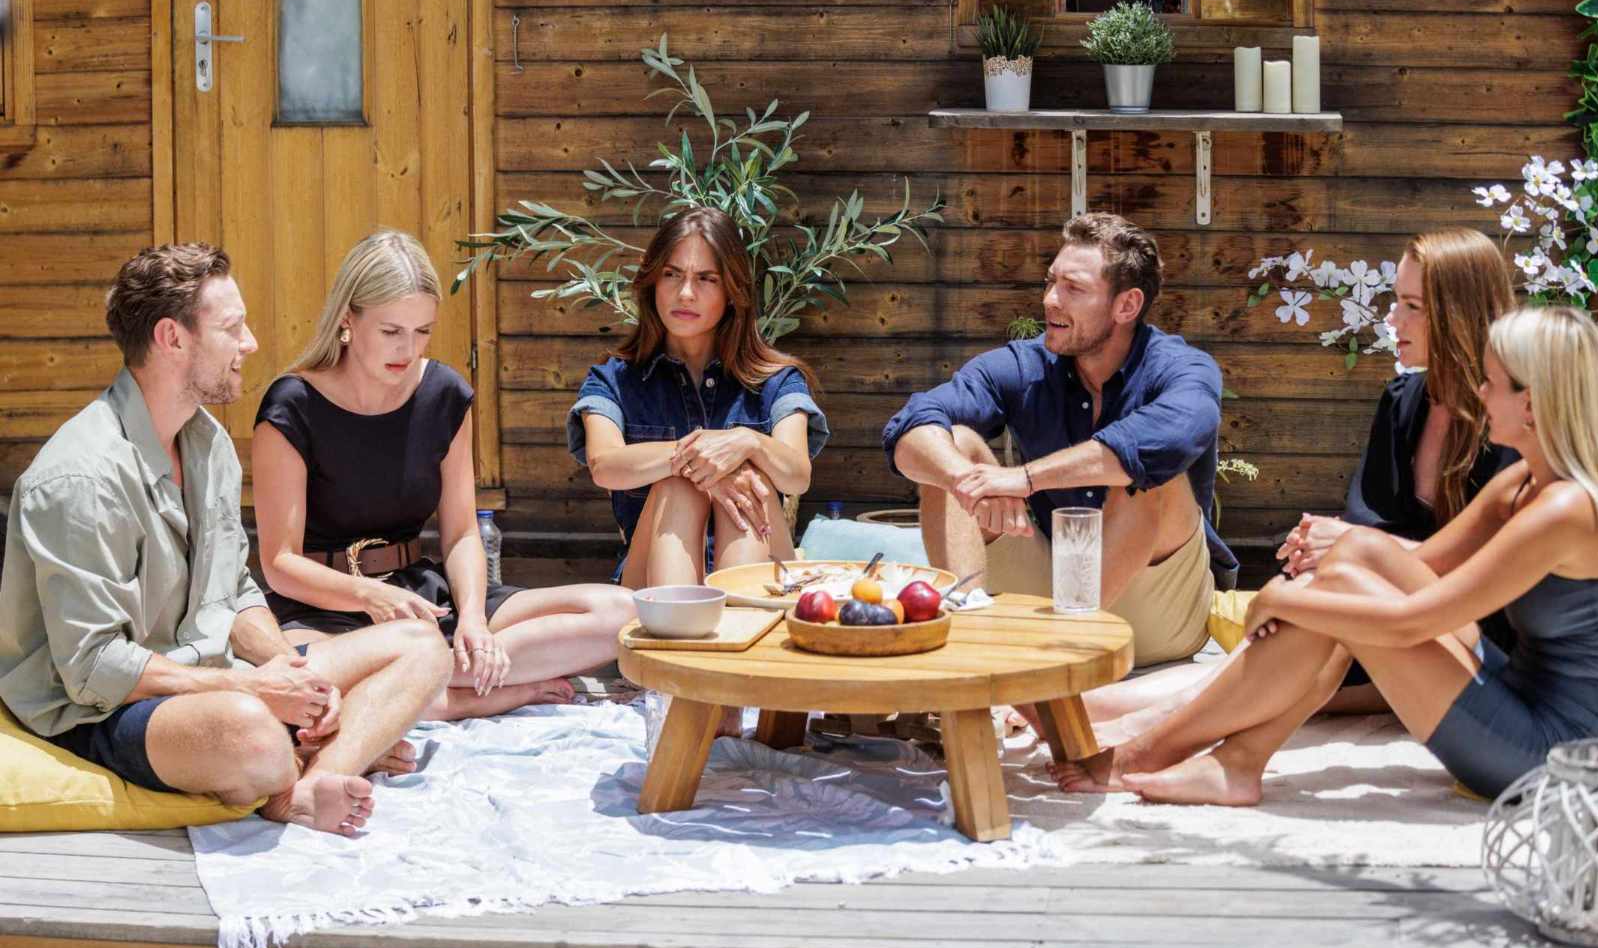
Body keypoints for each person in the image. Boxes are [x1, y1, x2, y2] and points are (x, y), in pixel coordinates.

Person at [1052, 306, 1598, 804]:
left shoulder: (1565, 510)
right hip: (1514, 692)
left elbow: (1416, 620)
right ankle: (1238, 762)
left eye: (1492, 382)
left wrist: (1285, 599)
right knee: (1356, 555)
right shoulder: (1525, 482)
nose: (1479, 392)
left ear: (1532, 404)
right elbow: (1421, 566)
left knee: (1342, 596)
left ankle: (1153, 753)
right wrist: (1331, 567)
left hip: (1552, 756)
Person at [0, 244, 452, 835]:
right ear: (172, 338)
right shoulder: (79, 480)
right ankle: (313, 756)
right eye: (233, 328)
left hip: (210, 674)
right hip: (101, 708)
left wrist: (295, 677)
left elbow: (234, 590)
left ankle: (302, 787)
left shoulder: (207, 442)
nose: (251, 343)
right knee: (251, 732)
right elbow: (94, 667)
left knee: (422, 646)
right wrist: (253, 689)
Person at [1082, 227, 1520, 729]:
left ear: (1459, 313)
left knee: (1263, 669)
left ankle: (1138, 716)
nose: (1392, 318)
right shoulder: (1403, 402)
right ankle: (1104, 708)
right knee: (1256, 663)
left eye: (1412, 306)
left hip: (1470, 638)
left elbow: (1496, 568)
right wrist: (1320, 543)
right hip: (1385, 620)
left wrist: (1350, 545)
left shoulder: (1510, 423)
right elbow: (1371, 526)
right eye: (1395, 299)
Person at [253, 229, 632, 722]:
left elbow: (461, 534)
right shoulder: (292, 404)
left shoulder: (445, 393)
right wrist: (370, 595)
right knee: (312, 686)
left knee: (622, 612)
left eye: (422, 331)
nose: (407, 349)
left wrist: (473, 620)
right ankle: (484, 690)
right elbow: (279, 562)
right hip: (323, 607)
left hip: (423, 596)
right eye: (391, 331)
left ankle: (427, 683)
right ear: (348, 318)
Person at [884, 211, 1236, 671]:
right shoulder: (1025, 365)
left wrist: (1024, 479)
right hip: (1051, 581)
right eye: (1051, 282)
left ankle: (1063, 652)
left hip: (1156, 604)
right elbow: (908, 428)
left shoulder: (1181, 367)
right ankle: (968, 632)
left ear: (1126, 306)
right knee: (953, 444)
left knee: (1149, 474)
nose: (1050, 299)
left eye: (1073, 288)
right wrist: (967, 480)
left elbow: (1165, 438)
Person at [568, 207, 828, 588]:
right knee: (678, 484)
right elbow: (604, 465)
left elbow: (797, 475)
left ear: (732, 292)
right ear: (652, 282)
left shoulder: (778, 379)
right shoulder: (614, 378)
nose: (685, 293)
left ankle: (735, 608)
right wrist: (698, 464)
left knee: (748, 470)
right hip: (650, 581)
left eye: (706, 279)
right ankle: (681, 616)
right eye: (671, 274)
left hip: (756, 568)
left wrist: (748, 442)